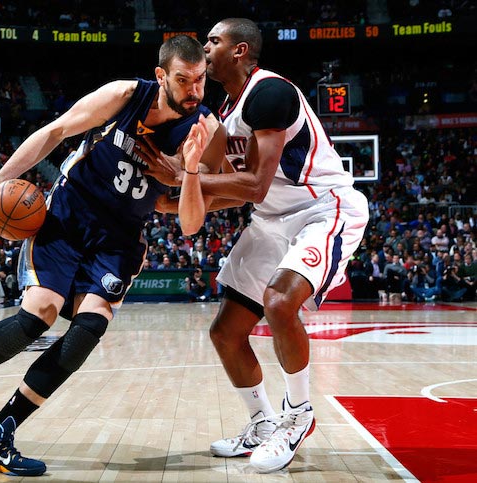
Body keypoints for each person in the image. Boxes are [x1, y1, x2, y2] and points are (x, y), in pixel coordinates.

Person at [0, 35, 226, 477]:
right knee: (38, 315)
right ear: (161, 76)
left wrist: (186, 170)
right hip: (68, 219)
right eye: (184, 80)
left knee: (87, 330)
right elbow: (55, 131)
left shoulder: (206, 131)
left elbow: (192, 221)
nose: (194, 90)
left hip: (119, 241)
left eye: (201, 80)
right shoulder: (125, 95)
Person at [140, 18, 369, 473]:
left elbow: (257, 184)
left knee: (280, 302)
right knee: (225, 332)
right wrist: (170, 200)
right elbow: (233, 193)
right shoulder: (228, 112)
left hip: (323, 209)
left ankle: (298, 415)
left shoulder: (271, 93)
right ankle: (263, 423)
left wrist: (187, 176)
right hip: (270, 220)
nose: (205, 46)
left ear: (240, 51)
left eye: (214, 40)